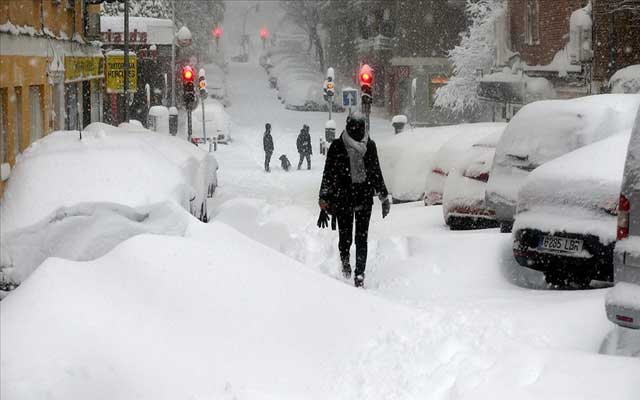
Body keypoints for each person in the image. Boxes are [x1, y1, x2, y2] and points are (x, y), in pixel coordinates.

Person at [317, 113, 390, 287]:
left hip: (363, 199)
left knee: (360, 238)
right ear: (349, 127)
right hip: (344, 200)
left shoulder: (369, 146)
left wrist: (383, 195)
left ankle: (359, 274)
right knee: (346, 236)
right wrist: (324, 198)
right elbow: (329, 174)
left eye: (360, 127)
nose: (358, 130)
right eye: (355, 127)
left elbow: (375, 171)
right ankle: (346, 263)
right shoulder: (337, 146)